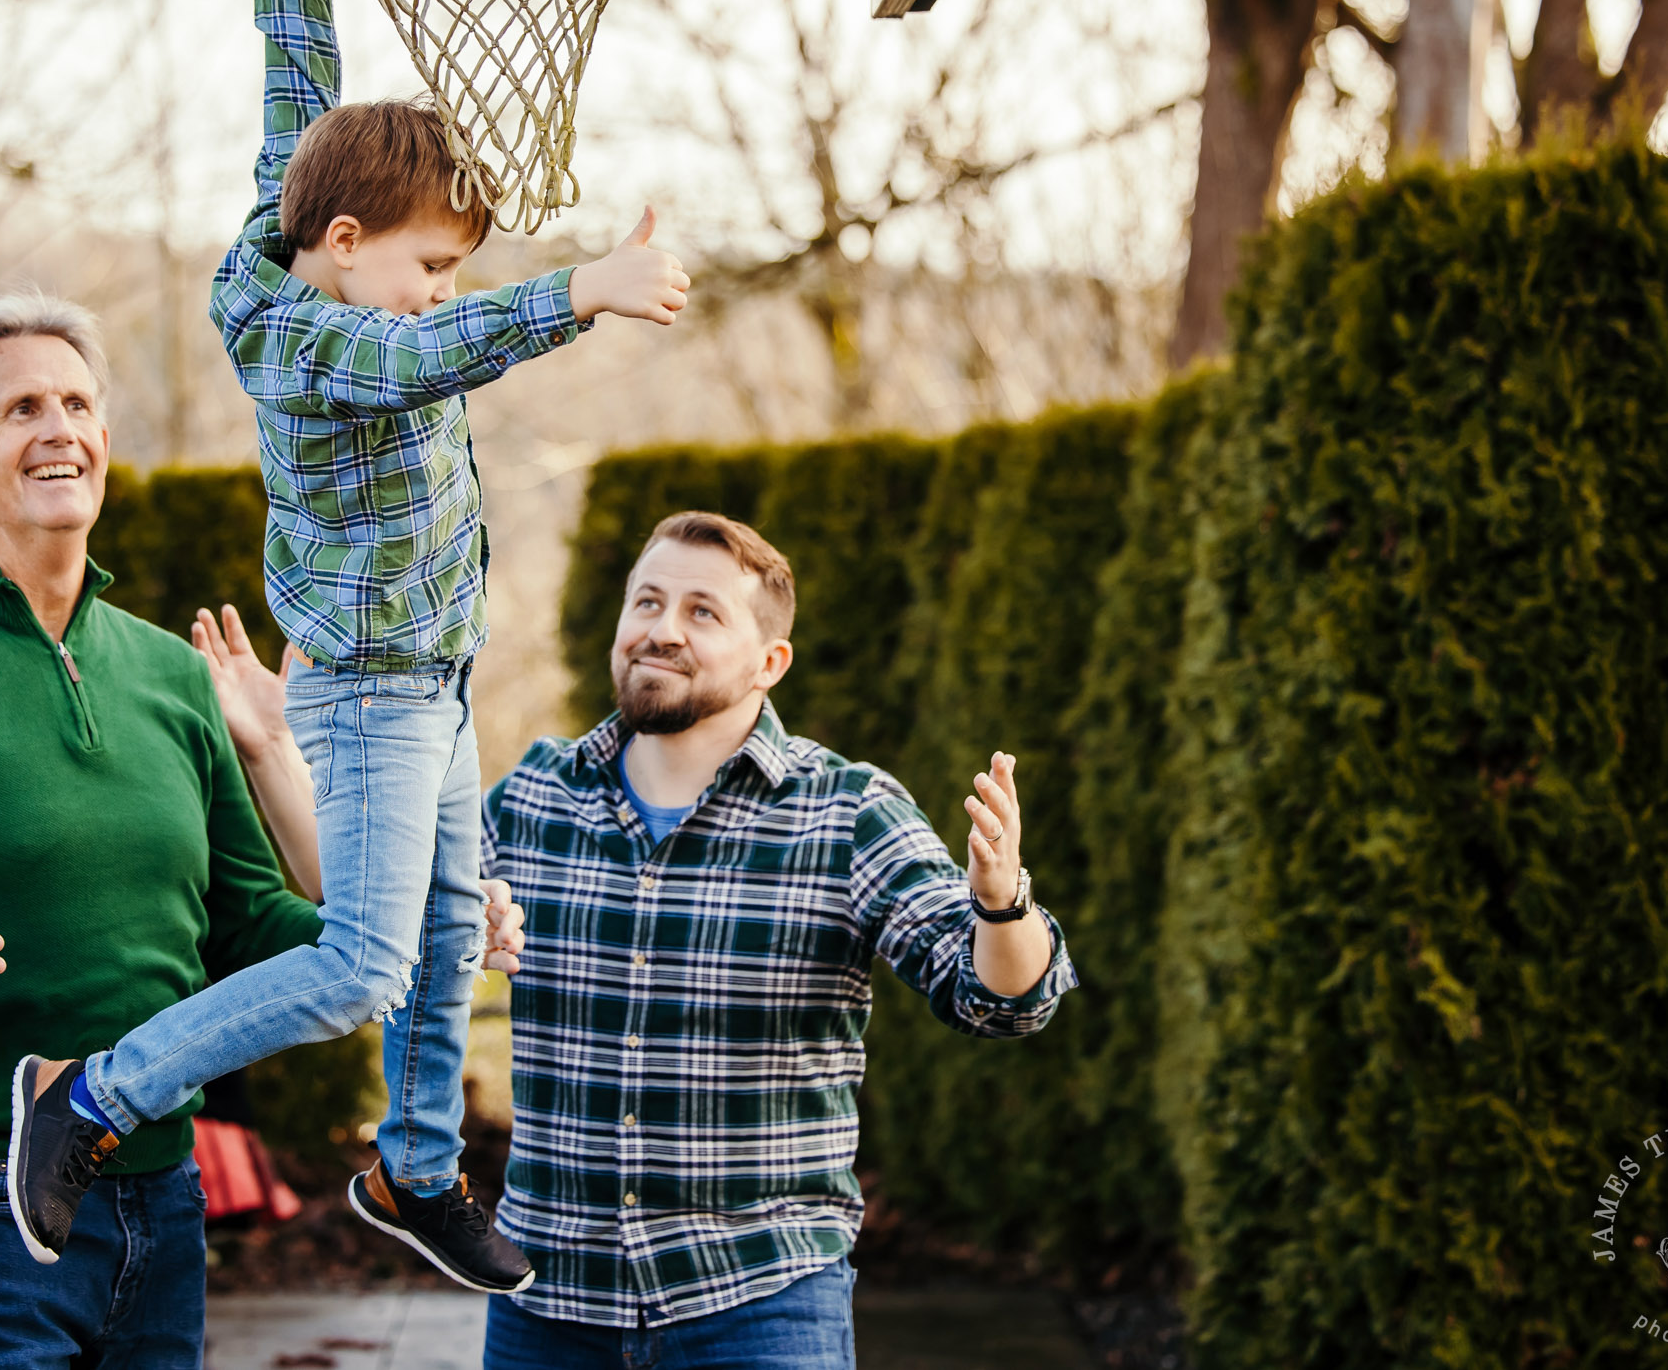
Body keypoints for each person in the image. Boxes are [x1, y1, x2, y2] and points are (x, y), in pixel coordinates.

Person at [1, 0, 690, 1293]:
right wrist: (579, 292)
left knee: (446, 947)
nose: (441, 285)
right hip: (369, 694)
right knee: (364, 965)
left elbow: (293, 76)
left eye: (452, 265)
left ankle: (418, 1166)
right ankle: (91, 1093)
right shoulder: (311, 340)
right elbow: (435, 342)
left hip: (429, 681)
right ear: (356, 241)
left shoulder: (299, 215)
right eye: (432, 260)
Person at [0, 292, 525, 1369]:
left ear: (105, 440)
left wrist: (417, 916)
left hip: (160, 1192)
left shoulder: (171, 674)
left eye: (77, 402)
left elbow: (253, 919)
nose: (59, 427)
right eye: (22, 407)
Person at [186, 512, 1081, 1368]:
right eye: (646, 601)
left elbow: (1000, 999)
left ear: (771, 660)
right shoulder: (538, 794)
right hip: (549, 1311)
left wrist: (1003, 906)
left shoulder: (846, 810)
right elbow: (370, 906)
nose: (661, 628)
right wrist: (271, 747)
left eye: (702, 611)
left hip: (761, 1305)